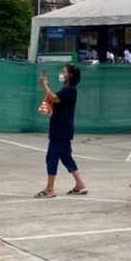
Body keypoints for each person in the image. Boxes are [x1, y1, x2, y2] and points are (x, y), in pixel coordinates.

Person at [36, 64, 88, 198]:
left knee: (51, 157)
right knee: (66, 157)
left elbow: (53, 98)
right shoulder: (66, 90)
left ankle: (50, 188)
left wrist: (44, 85)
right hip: (62, 128)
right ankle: (80, 184)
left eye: (63, 72)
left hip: (61, 129)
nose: (61, 74)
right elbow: (51, 98)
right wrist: (46, 88)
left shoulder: (70, 90)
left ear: (69, 76)